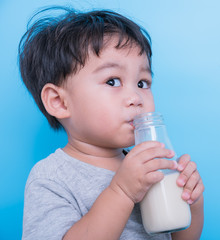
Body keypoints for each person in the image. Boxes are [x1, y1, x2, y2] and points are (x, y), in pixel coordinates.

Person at [19, 6, 204, 240]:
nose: (136, 98)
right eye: (113, 81)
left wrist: (191, 203)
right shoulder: (51, 178)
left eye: (142, 83)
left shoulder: (149, 166)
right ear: (59, 102)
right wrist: (122, 192)